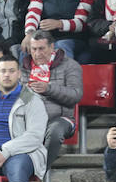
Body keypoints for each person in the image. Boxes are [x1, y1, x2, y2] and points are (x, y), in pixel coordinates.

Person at [19, 30, 82, 165]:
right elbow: (20, 99)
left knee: (54, 131)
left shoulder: (70, 65)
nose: (37, 53)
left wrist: (49, 89)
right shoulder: (24, 67)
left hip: (60, 118)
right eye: (34, 49)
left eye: (41, 49)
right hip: (30, 120)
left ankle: (40, 171)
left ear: (52, 47)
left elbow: (75, 95)